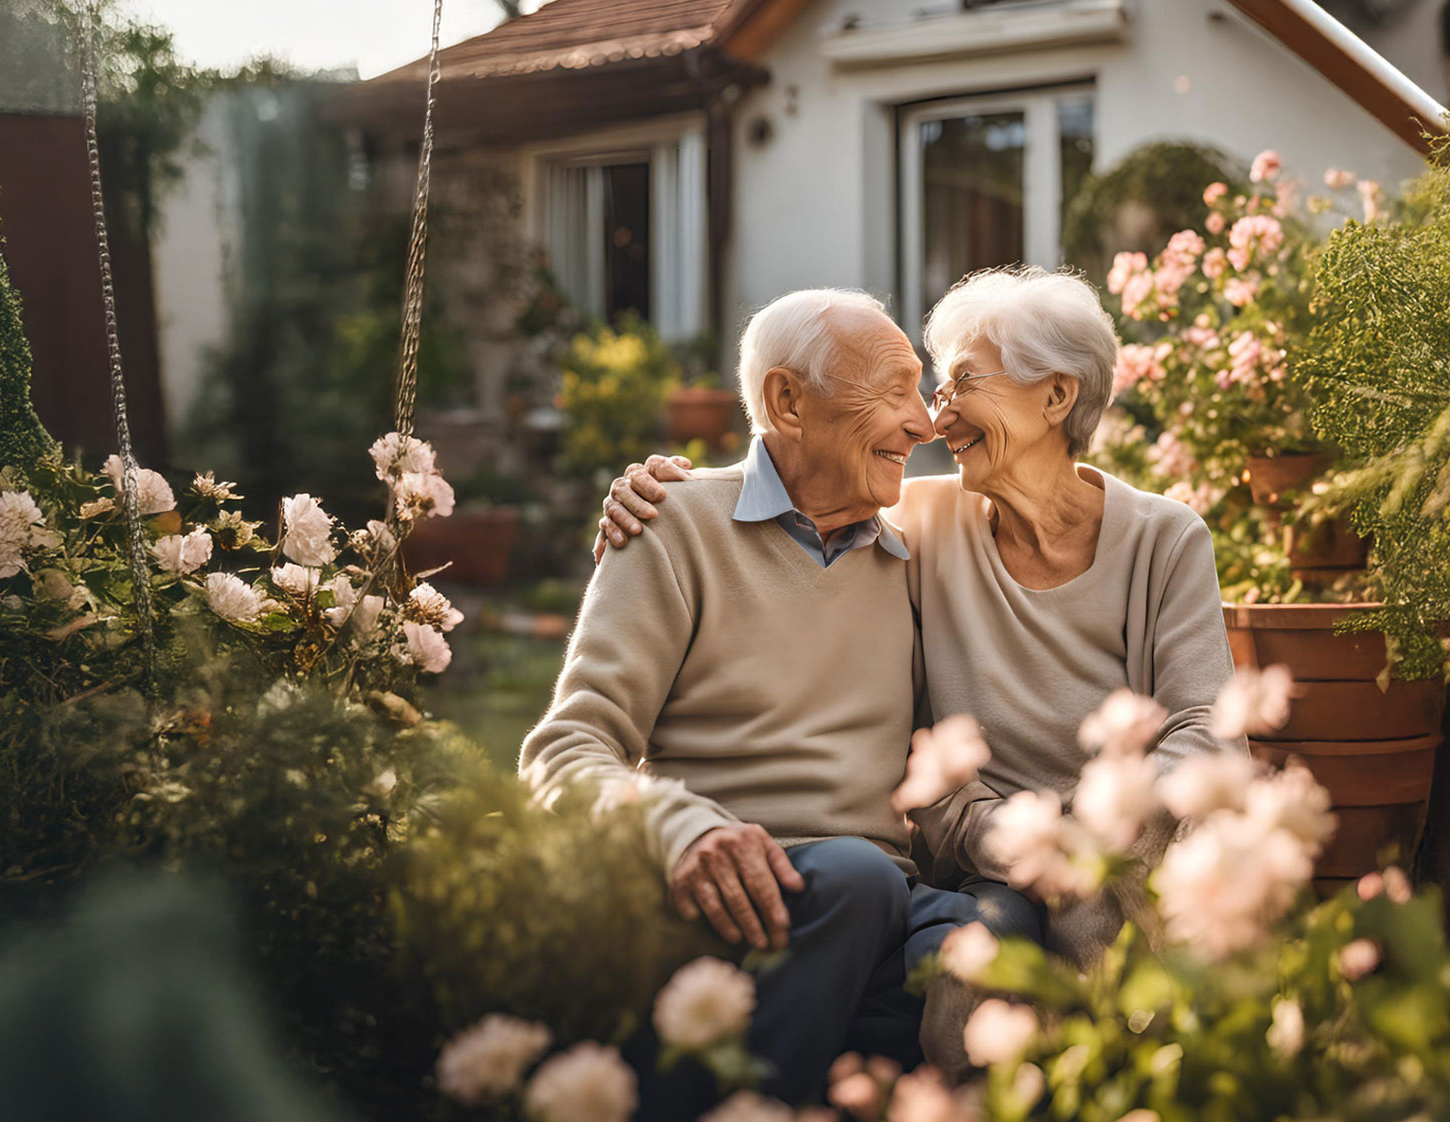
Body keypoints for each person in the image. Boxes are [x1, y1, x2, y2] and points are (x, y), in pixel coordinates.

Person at [599, 266, 1238, 1066]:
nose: (933, 419)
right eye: (930, 389)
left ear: (1056, 397)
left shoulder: (1163, 538)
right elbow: (798, 488)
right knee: (975, 967)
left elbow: (1207, 727)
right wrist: (654, 490)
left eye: (961, 382)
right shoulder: (922, 522)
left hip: (1132, 861)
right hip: (988, 863)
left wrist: (1090, 846)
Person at [520, 288, 988, 1104]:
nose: (925, 423)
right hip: (728, 895)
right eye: (895, 390)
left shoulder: (917, 557)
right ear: (787, 402)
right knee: (856, 880)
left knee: (972, 940)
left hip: (880, 897)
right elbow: (566, 748)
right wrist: (680, 828)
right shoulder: (674, 526)